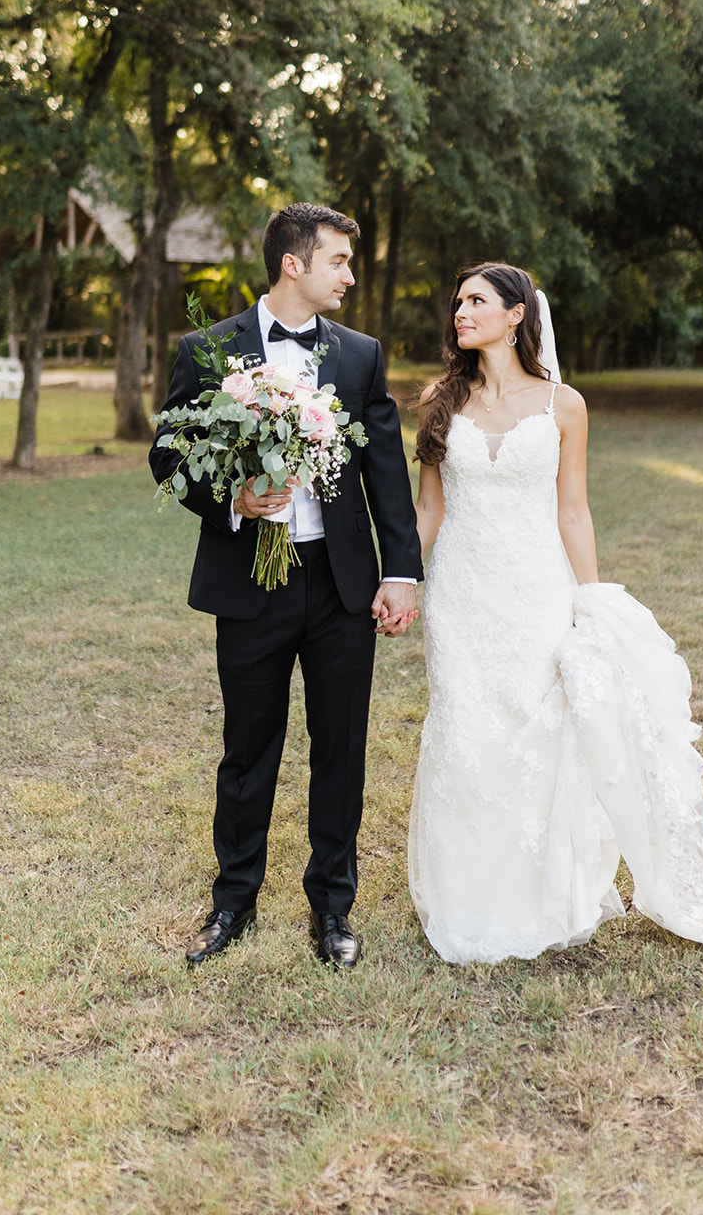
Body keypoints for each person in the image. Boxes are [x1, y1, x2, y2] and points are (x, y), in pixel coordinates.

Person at [408, 262, 703, 965]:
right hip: (462, 591)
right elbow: (428, 509)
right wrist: (401, 582)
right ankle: (465, 891)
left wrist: (591, 601)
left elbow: (573, 510)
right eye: (457, 302)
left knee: (539, 730)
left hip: (538, 586)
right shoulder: (438, 402)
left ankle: (541, 888)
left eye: (476, 300)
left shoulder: (563, 404)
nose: (459, 311)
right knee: (466, 727)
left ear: (516, 315)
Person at [150, 203, 422, 970]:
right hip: (250, 581)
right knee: (248, 749)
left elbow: (386, 474)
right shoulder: (207, 351)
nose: (349, 273)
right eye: (337, 259)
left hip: (341, 587)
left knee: (341, 749)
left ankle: (332, 907)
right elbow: (168, 455)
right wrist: (231, 500)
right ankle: (232, 900)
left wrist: (399, 571)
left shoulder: (360, 355)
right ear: (293, 264)